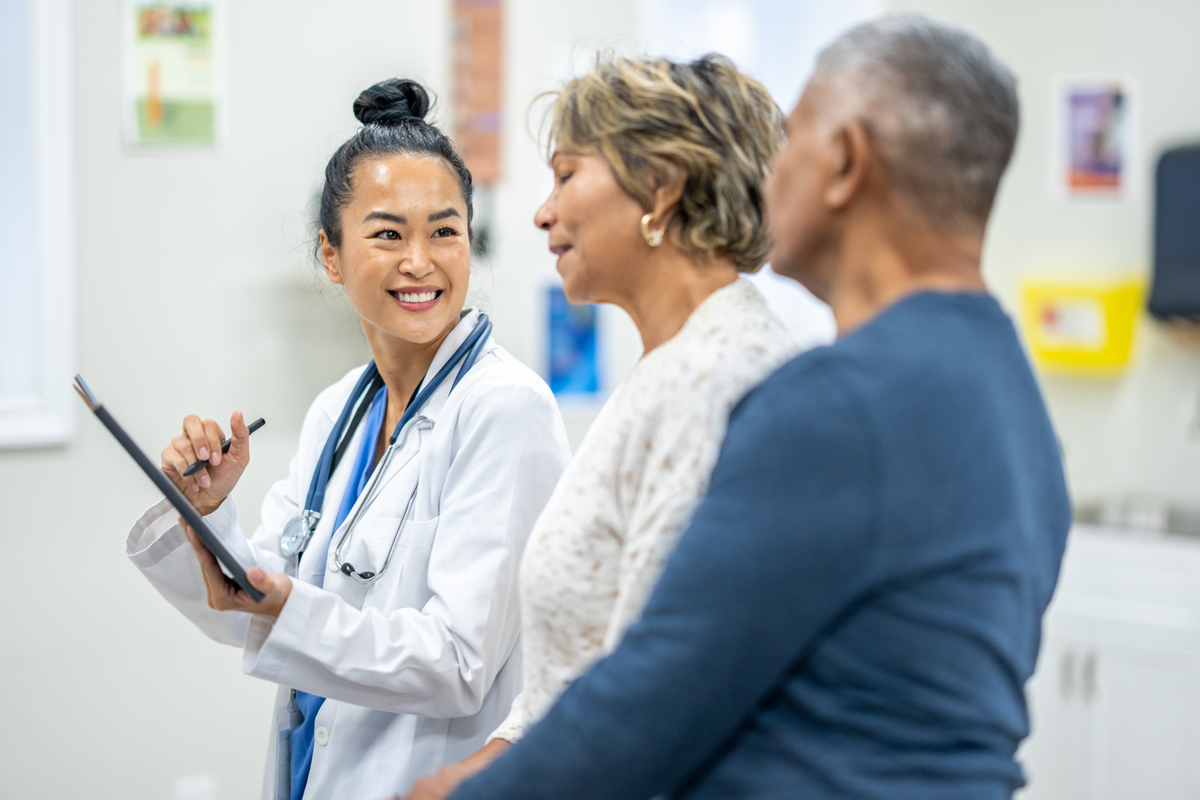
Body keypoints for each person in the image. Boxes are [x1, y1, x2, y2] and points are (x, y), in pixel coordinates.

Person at [443, 15, 1072, 800]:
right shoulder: (1008, 394)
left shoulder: (836, 406)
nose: (767, 175)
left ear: (845, 163)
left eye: (793, 137)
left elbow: (649, 709)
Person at [125, 78, 571, 800]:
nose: (420, 260)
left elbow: (458, 664)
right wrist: (205, 514)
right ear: (331, 257)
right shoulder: (340, 409)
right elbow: (252, 608)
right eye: (388, 233)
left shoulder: (504, 410)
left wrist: (282, 607)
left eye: (445, 230)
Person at [403, 55, 800, 799]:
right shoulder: (663, 372)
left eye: (565, 174)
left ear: (661, 186)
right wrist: (483, 765)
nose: (541, 211)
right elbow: (577, 672)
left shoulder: (717, 380)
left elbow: (660, 697)